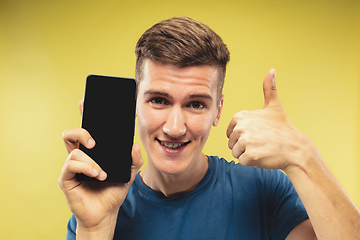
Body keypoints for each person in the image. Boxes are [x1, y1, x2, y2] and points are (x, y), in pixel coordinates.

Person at [59, 17, 360, 239]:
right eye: (159, 100)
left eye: (196, 104)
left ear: (218, 110)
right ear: (135, 105)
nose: (175, 128)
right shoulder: (97, 205)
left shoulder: (264, 191)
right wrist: (95, 228)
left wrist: (302, 155)